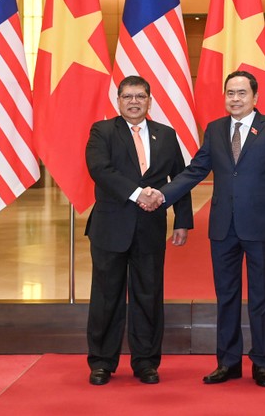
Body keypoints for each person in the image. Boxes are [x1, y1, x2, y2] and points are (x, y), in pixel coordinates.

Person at [148, 70, 265, 388]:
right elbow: (195, 170)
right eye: (230, 93)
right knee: (226, 296)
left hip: (260, 228)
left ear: (255, 97)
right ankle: (228, 362)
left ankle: (261, 363)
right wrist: (163, 194)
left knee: (260, 297)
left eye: (242, 93)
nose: (235, 99)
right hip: (223, 228)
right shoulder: (214, 130)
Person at [84, 75, 193, 386]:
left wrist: (182, 219)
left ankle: (146, 362)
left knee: (148, 295)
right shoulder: (102, 132)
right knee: (107, 297)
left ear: (149, 100)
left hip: (150, 230)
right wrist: (138, 194)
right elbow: (100, 170)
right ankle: (102, 362)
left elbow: (180, 179)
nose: (134, 102)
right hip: (110, 228)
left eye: (140, 96)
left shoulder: (166, 135)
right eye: (127, 96)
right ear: (118, 101)